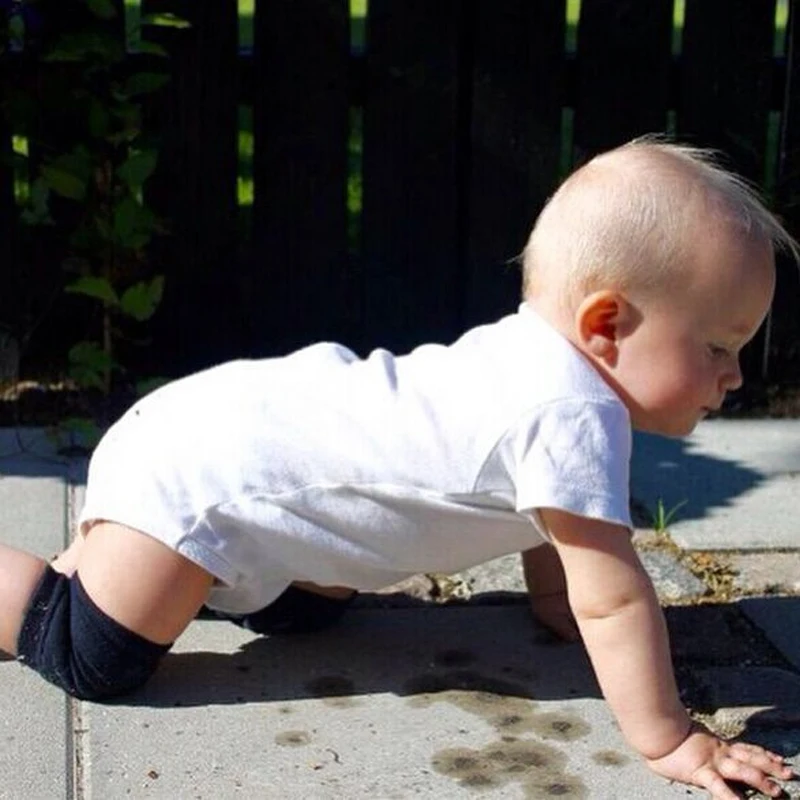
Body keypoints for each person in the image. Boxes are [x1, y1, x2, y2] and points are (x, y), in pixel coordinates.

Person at [1, 137, 796, 799]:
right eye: (717, 347)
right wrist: (670, 739)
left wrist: (555, 604)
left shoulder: (540, 374)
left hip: (235, 463)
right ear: (607, 323)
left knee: (312, 614)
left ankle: (121, 566)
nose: (734, 376)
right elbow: (613, 599)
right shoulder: (571, 414)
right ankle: (66, 578)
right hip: (197, 482)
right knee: (91, 656)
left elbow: (556, 531)